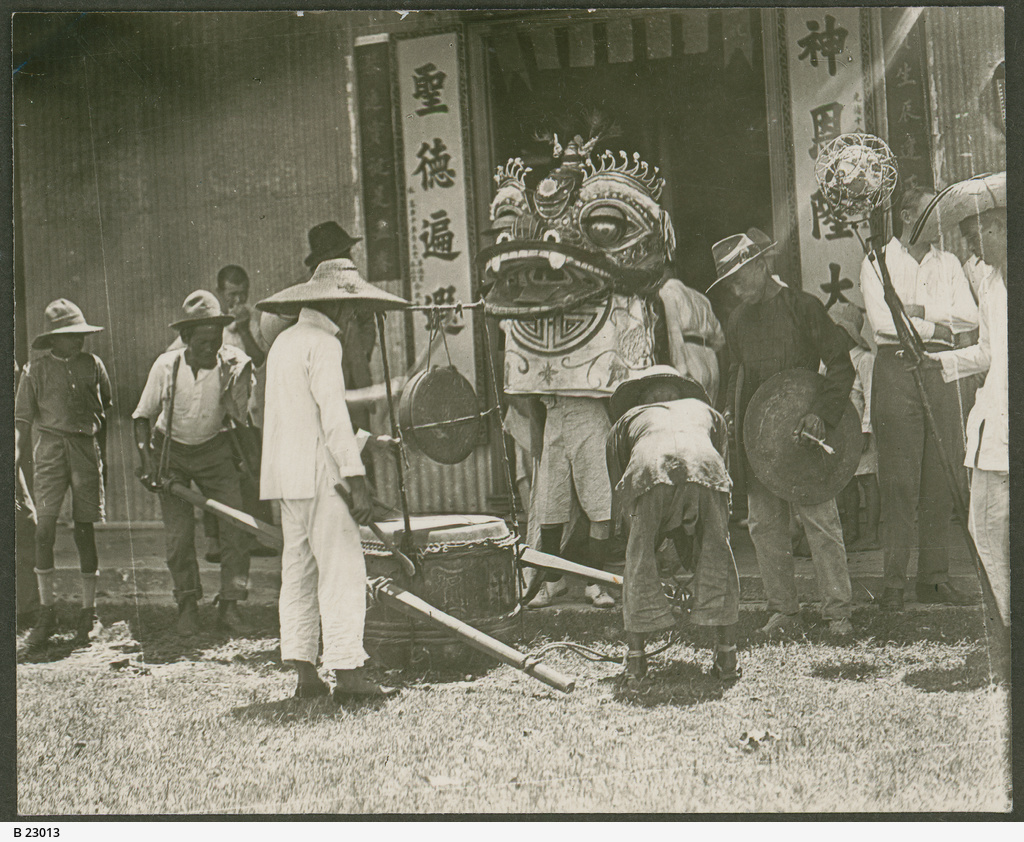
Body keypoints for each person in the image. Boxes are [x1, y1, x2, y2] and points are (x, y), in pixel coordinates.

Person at [258, 258, 403, 701]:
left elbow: (304, 416)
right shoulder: (324, 344)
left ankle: (305, 672)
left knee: (298, 571)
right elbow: (333, 416)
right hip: (320, 475)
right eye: (355, 311)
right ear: (339, 307)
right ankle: (349, 674)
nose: (357, 318)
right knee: (342, 569)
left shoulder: (284, 342)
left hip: (287, 476)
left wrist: (368, 442)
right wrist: (356, 478)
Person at [711, 228, 855, 636]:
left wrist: (821, 416)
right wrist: (733, 430)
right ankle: (783, 610)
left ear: (762, 264)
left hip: (805, 434)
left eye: (741, 278)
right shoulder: (737, 320)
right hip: (760, 440)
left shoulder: (803, 307)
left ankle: (838, 611)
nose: (737, 290)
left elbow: (842, 365)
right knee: (764, 524)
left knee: (820, 522)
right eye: (730, 284)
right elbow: (735, 376)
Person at [860, 187, 979, 611]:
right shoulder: (877, 263)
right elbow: (882, 326)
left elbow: (969, 317)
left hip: (940, 372)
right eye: (933, 213)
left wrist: (917, 312)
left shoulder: (947, 263)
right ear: (908, 216)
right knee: (898, 482)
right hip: (895, 372)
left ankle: (935, 577)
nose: (942, 223)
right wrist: (937, 327)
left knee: (940, 477)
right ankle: (893, 583)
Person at [606, 366, 741, 688]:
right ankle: (727, 658)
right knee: (718, 555)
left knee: (637, 561)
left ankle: (636, 664)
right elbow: (720, 470)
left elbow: (621, 490)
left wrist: (642, 538)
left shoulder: (626, 422)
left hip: (648, 471)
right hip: (706, 467)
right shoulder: (707, 412)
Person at [133, 291, 254, 636]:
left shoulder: (232, 364)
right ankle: (187, 605)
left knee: (237, 525)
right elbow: (141, 417)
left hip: (215, 450)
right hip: (171, 453)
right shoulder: (165, 366)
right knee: (179, 536)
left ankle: (230, 605)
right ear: (185, 339)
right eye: (201, 341)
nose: (209, 348)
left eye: (215, 339)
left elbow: (245, 417)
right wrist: (148, 463)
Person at [929, 204, 1008, 639]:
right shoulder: (992, 283)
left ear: (996, 228)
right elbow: (986, 352)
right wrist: (935, 361)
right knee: (984, 527)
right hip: (993, 429)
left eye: (975, 238)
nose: (972, 250)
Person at [15, 300, 112, 650]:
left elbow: (105, 411)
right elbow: (23, 418)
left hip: (85, 450)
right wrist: (14, 454)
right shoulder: (35, 371)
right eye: (70, 336)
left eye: (80, 335)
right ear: (54, 339)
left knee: (84, 530)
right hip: (50, 452)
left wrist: (100, 462)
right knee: (44, 530)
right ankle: (47, 611)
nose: (78, 341)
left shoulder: (92, 365)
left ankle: (89, 613)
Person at [168, 266, 276, 562]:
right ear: (220, 293)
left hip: (246, 412)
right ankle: (215, 543)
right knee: (216, 476)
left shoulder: (250, 320)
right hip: (212, 415)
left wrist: (242, 328)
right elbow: (174, 357)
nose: (238, 300)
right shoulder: (205, 324)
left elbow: (259, 358)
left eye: (243, 293)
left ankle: (256, 535)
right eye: (232, 294)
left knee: (252, 472)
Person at [829, 304, 880, 552]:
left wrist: (866, 429)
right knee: (845, 480)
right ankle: (851, 531)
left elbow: (870, 396)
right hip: (840, 430)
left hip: (860, 428)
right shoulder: (829, 361)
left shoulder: (865, 359)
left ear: (847, 332)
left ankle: (871, 534)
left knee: (867, 479)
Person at [654, 269, 726, 405]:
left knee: (693, 409)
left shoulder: (668, 291)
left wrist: (681, 369)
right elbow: (720, 339)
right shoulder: (701, 298)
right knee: (710, 408)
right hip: (710, 358)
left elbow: (673, 332)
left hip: (691, 356)